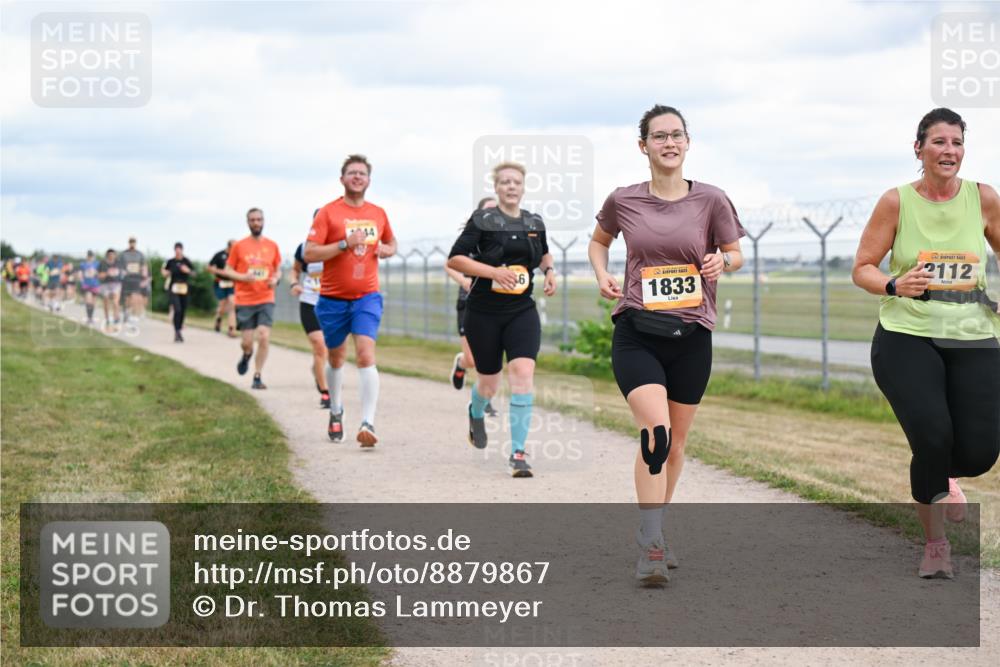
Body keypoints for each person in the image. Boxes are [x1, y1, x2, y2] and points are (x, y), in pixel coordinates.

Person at [589, 104, 745, 584]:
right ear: (644, 146)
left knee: (676, 446)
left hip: (692, 335)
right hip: (637, 331)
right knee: (655, 433)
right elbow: (599, 242)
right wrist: (602, 273)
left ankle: (651, 526)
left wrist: (725, 263)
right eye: (660, 136)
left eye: (677, 135)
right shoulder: (624, 200)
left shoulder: (712, 200)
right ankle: (652, 544)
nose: (669, 143)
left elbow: (735, 252)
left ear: (688, 143)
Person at [852, 107, 1000, 580]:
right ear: (919, 149)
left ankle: (947, 475)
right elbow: (863, 268)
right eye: (939, 142)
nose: (949, 151)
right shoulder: (896, 202)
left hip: (973, 335)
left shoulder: (985, 199)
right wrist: (895, 284)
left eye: (957, 142)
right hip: (906, 336)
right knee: (933, 437)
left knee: (980, 451)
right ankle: (935, 545)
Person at [447, 161, 557, 478]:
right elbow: (455, 259)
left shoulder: (534, 221)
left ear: (523, 188)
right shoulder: (483, 220)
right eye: (505, 182)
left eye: (516, 182)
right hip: (483, 312)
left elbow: (545, 252)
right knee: (489, 383)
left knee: (522, 372)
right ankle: (476, 410)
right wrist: (493, 272)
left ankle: (518, 453)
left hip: (521, 310)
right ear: (496, 188)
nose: (511, 186)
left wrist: (549, 271)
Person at [304, 154, 397, 447]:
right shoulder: (329, 213)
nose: (357, 177)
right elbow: (310, 253)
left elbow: (393, 243)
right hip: (332, 299)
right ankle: (336, 410)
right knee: (336, 358)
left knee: (366, 354)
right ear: (342, 179)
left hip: (367, 296)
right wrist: (345, 243)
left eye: (362, 173)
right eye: (351, 173)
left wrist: (386, 249)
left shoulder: (379, 213)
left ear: (369, 180)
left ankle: (368, 422)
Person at [444, 196, 498, 417]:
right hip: (469, 301)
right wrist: (464, 280)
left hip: (496, 303)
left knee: (492, 355)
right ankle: (461, 362)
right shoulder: (471, 236)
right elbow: (450, 264)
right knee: (474, 359)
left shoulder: (508, 242)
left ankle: (485, 400)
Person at [218, 208, 282, 389]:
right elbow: (228, 270)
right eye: (253, 220)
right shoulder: (239, 246)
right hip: (245, 299)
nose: (256, 223)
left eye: (259, 219)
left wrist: (276, 279)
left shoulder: (272, 245)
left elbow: (278, 269)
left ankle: (257, 375)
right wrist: (242, 277)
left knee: (263, 336)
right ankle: (246, 355)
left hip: (266, 297)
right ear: (248, 222)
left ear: (264, 221)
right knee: (247, 342)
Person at [293, 218, 332, 410]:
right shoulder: (303, 248)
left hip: (332, 304)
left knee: (331, 350)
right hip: (309, 302)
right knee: (319, 345)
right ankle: (325, 393)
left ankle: (318, 371)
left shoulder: (338, 247)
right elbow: (295, 270)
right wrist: (294, 283)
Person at [162, 242, 196, 342]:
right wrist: (167, 272)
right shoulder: (170, 261)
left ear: (182, 250)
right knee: (177, 309)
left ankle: (179, 329)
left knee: (183, 310)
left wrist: (188, 271)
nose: (178, 251)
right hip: (174, 287)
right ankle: (177, 331)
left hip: (184, 288)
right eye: (176, 249)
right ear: (174, 251)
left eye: (179, 249)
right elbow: (163, 272)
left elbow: (194, 273)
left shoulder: (187, 261)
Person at [208, 240, 238, 337]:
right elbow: (209, 267)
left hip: (232, 283)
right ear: (229, 247)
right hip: (220, 282)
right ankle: (218, 319)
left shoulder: (236, 256)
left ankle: (231, 329)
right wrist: (220, 272)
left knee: (232, 304)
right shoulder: (219, 255)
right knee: (222, 305)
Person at [120, 236, 149, 321]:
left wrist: (144, 274)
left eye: (133, 242)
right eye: (131, 242)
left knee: (135, 295)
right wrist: (122, 271)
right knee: (127, 297)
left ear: (135, 243)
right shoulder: (123, 254)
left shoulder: (140, 254)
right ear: (128, 243)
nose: (132, 244)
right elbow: (119, 265)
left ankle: (131, 313)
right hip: (126, 278)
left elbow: (144, 266)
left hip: (136, 278)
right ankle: (126, 311)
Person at [98, 248, 123, 327]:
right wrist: (107, 273)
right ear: (107, 255)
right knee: (106, 302)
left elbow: (123, 273)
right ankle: (107, 319)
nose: (112, 256)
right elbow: (99, 276)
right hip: (105, 284)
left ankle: (116, 317)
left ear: (115, 255)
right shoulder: (103, 263)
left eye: (113, 255)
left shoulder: (119, 263)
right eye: (110, 255)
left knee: (115, 302)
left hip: (116, 284)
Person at [79, 251, 101, 325]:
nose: (90, 257)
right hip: (87, 285)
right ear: (87, 256)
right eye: (89, 256)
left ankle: (91, 317)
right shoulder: (83, 264)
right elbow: (80, 274)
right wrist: (82, 282)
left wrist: (96, 273)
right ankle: (89, 318)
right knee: (88, 301)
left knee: (93, 302)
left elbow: (100, 273)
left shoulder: (97, 264)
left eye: (91, 256)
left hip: (95, 284)